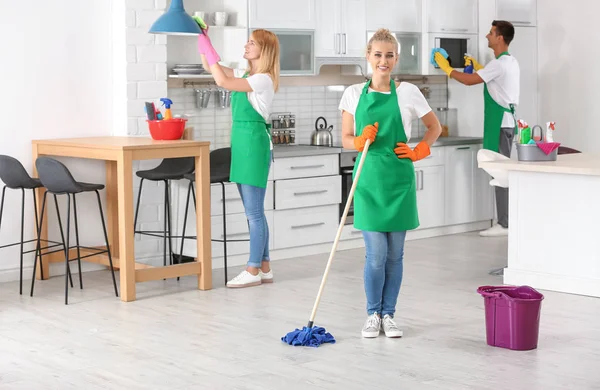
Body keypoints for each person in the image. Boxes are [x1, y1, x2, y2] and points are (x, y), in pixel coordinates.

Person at [339, 29, 442, 338]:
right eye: (378, 55)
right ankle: (372, 314)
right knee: (376, 255)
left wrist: (419, 150)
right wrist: (359, 139)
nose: (383, 61)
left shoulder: (409, 92)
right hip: (369, 179)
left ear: (396, 58)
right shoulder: (354, 94)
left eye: (389, 55)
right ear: (368, 57)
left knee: (396, 255)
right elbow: (344, 139)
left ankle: (389, 315)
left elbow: (434, 127)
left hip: (399, 179)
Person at [198, 27, 280, 288]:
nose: (246, 46)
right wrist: (204, 41)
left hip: (254, 145)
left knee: (253, 213)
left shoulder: (263, 79)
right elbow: (212, 70)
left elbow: (222, 82)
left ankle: (252, 269)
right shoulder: (248, 74)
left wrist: (208, 46)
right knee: (255, 212)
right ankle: (264, 266)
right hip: (243, 143)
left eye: (251, 43)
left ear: (263, 50)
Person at [434, 20, 520, 237]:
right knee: (502, 172)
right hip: (507, 124)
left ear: (500, 37)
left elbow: (469, 81)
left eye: (491, 33)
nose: (487, 36)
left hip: (500, 125)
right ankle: (506, 221)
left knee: (500, 174)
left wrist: (447, 68)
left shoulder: (498, 64)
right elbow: (496, 84)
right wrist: (481, 68)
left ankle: (505, 224)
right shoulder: (510, 62)